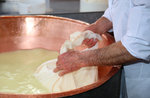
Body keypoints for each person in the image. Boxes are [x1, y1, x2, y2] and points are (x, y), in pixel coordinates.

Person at [54, 0, 150, 98]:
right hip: (128, 71)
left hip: (144, 80)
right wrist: (99, 26)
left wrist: (81, 59)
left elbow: (138, 45)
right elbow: (123, 5)